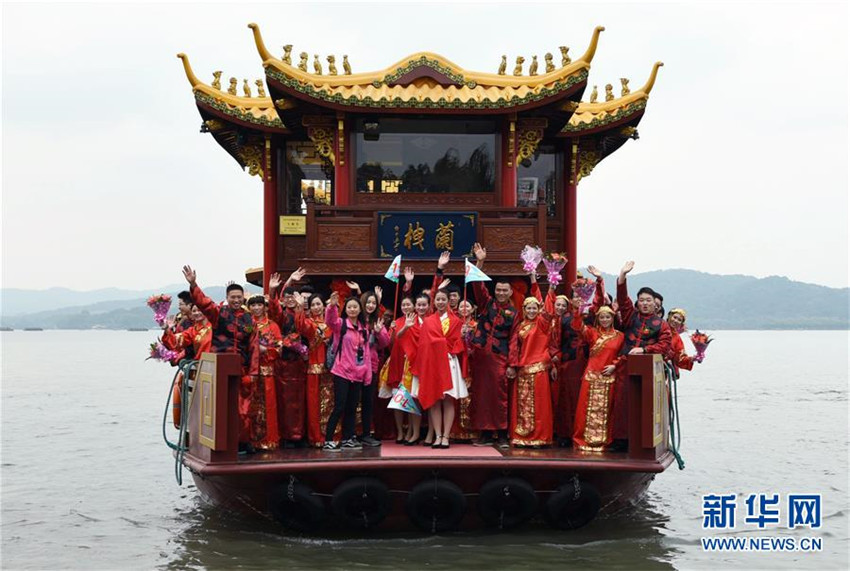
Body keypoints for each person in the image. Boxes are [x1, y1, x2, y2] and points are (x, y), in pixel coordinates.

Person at [612, 261, 672, 450]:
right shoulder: (631, 316)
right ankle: (620, 441)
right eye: (642, 300)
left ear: (655, 304)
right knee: (621, 403)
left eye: (648, 300)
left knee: (643, 405)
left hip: (647, 373)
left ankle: (638, 441)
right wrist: (622, 275)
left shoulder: (661, 324)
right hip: (624, 366)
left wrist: (645, 350)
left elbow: (664, 346)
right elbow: (622, 300)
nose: (644, 303)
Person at [323, 292, 388, 451]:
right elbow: (330, 321)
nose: (352, 310)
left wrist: (366, 375)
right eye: (350, 307)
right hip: (342, 371)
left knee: (352, 407)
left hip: (358, 373)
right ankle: (328, 440)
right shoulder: (341, 324)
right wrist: (331, 306)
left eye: (355, 307)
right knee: (339, 406)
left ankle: (347, 438)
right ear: (346, 309)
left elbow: (366, 354)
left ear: (360, 310)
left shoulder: (364, 329)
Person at [469, 242, 517, 448]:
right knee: (481, 396)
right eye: (498, 289)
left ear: (511, 292)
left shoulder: (514, 314)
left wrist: (512, 365)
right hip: (481, 358)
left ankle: (502, 434)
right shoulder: (487, 303)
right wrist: (480, 261)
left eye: (505, 290)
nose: (501, 293)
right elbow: (477, 286)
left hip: (500, 360)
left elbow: (514, 339)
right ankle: (485, 435)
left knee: (500, 397)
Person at [409, 289, 467, 449]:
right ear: (434, 302)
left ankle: (446, 436)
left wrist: (463, 336)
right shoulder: (428, 321)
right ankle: (438, 435)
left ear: (448, 301)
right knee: (434, 400)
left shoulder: (456, 321)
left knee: (448, 400)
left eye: (443, 299)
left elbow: (457, 344)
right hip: (432, 363)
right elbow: (423, 345)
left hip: (448, 362)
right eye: (438, 300)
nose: (440, 302)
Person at [507, 277, 557, 448]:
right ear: (524, 309)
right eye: (528, 307)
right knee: (522, 405)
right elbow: (514, 348)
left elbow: (549, 310)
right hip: (523, 370)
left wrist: (550, 287)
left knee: (540, 406)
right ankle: (522, 437)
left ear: (538, 309)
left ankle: (540, 437)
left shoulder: (542, 324)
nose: (531, 310)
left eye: (534, 307)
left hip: (538, 370)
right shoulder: (520, 326)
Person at [570, 299, 624, 451]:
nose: (605, 320)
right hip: (591, 376)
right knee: (584, 410)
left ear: (612, 318)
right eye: (602, 317)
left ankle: (603, 441)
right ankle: (582, 440)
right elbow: (577, 327)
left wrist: (615, 365)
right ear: (597, 319)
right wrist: (578, 312)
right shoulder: (592, 333)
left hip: (608, 377)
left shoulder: (620, 336)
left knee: (606, 411)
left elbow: (624, 355)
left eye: (608, 317)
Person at [182, 265, 253, 369]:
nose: (236, 300)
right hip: (219, 365)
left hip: (242, 366)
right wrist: (193, 284)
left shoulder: (249, 318)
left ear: (243, 297)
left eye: (239, 297)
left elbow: (253, 344)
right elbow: (204, 303)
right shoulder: (219, 313)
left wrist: (253, 373)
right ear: (227, 298)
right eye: (233, 297)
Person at [161, 304, 211, 429]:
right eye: (194, 311)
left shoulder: (216, 326)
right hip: (199, 371)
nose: (197, 313)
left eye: (200, 310)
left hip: (217, 371)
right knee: (195, 405)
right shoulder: (193, 330)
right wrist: (167, 329)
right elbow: (176, 342)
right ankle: (192, 434)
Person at [243, 295, 282, 451]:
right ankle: (250, 441)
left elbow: (279, 348)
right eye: (253, 305)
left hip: (267, 372)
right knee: (249, 408)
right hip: (249, 373)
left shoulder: (272, 326)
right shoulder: (246, 326)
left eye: (260, 305)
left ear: (265, 307)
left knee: (269, 407)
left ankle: (269, 440)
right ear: (249, 308)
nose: (257, 308)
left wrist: (266, 350)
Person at [381, 295, 421, 444]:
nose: (405, 307)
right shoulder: (396, 322)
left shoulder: (419, 321)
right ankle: (400, 432)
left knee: (412, 399)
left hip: (412, 364)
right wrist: (390, 330)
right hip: (397, 362)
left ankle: (412, 431)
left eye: (408, 305)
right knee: (397, 399)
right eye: (403, 305)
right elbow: (389, 344)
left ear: (414, 306)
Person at [357, 286, 389, 447]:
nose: (370, 305)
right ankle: (352, 433)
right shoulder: (356, 319)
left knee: (369, 401)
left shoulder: (377, 321)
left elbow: (385, 342)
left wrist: (377, 332)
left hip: (371, 366)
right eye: (368, 302)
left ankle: (366, 433)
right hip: (354, 366)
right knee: (354, 400)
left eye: (373, 303)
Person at [303, 293, 335, 447]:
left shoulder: (332, 323)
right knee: (314, 406)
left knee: (331, 404)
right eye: (313, 305)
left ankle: (333, 436)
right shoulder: (309, 323)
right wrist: (298, 308)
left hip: (330, 370)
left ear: (323, 305)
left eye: (318, 304)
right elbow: (302, 325)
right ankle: (316, 438)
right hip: (314, 371)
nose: (316, 307)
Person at [450, 299, 479, 442]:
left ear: (472, 309)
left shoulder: (476, 326)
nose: (464, 308)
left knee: (471, 395)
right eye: (461, 306)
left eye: (467, 306)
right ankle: (455, 432)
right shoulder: (455, 324)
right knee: (455, 395)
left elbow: (479, 346)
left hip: (471, 364)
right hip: (457, 362)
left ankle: (472, 432)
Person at [665, 308, 699, 377]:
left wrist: (692, 359)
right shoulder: (658, 327)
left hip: (663, 369)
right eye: (674, 317)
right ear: (669, 316)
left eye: (679, 320)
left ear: (681, 324)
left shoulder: (677, 338)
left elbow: (680, 358)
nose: (676, 321)